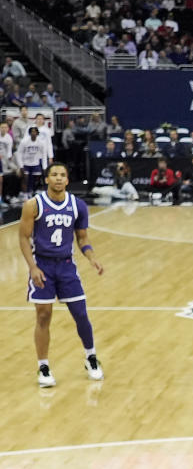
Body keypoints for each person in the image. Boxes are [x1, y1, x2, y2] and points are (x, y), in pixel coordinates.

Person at [18, 163, 104, 387]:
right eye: (54, 175)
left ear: (67, 180)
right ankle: (43, 366)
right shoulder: (33, 205)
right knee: (44, 316)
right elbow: (23, 238)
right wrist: (32, 267)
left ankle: (91, 357)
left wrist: (92, 257)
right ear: (46, 179)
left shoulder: (78, 206)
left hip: (67, 266)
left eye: (62, 175)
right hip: (43, 265)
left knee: (81, 314)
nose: (58, 178)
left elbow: (82, 238)